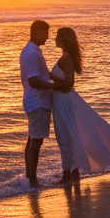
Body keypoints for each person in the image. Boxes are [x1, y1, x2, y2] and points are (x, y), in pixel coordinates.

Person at [50, 26, 110, 184]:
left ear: (64, 39)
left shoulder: (66, 57)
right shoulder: (65, 56)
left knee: (65, 137)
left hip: (64, 100)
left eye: (57, 36)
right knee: (69, 135)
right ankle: (72, 172)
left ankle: (68, 174)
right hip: (62, 100)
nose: (54, 39)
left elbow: (69, 84)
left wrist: (50, 77)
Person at [19, 20, 69, 188]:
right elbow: (33, 81)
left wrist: (54, 79)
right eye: (46, 33)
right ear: (38, 32)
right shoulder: (32, 53)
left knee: (32, 140)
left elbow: (41, 75)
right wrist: (54, 86)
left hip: (32, 101)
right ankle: (33, 181)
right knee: (36, 142)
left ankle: (29, 178)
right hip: (38, 102)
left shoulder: (31, 50)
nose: (48, 37)